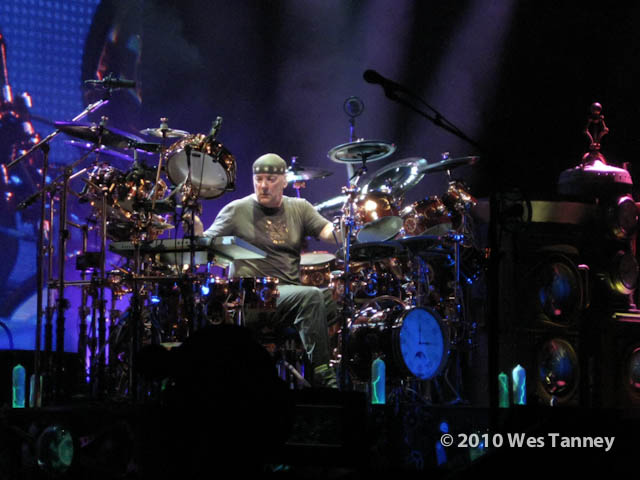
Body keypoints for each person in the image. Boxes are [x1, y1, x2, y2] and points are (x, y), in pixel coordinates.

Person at [196, 153, 338, 388]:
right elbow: (205, 244)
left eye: (270, 179)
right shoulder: (237, 210)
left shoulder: (299, 207)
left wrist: (345, 228)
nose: (263, 185)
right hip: (255, 299)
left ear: (284, 181)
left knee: (334, 299)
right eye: (258, 179)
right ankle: (323, 374)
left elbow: (326, 231)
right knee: (311, 297)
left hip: (288, 295)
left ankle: (310, 366)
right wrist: (196, 228)